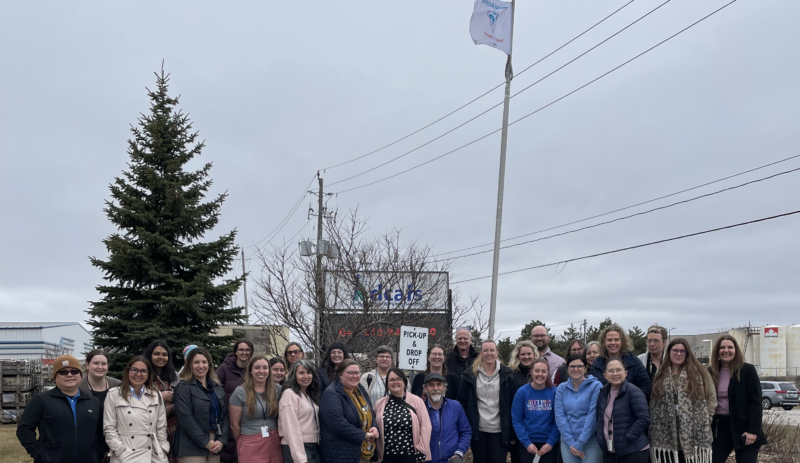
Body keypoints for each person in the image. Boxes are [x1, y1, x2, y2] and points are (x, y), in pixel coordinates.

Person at [17, 354, 103, 463]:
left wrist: (97, 454)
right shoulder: (41, 400)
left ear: (80, 376)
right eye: (63, 372)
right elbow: (24, 429)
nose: (69, 375)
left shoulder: (93, 402)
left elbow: (101, 433)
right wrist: (40, 454)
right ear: (54, 377)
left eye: (74, 371)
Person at [649, 338, 716, 463]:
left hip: (694, 431)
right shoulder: (660, 374)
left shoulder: (700, 372)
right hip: (666, 431)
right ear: (669, 352)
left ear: (687, 353)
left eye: (682, 351)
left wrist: (708, 417)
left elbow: (711, 396)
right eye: (675, 350)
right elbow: (654, 401)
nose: (678, 354)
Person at [708, 335, 766, 463]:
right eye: (722, 347)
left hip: (744, 428)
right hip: (719, 428)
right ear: (717, 351)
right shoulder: (710, 372)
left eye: (730, 347)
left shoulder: (747, 370)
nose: (726, 350)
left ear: (736, 350)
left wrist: (752, 431)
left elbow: (756, 402)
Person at [103, 355, 170, 462]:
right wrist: (120, 450)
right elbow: (109, 428)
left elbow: (161, 426)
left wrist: (163, 447)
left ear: (148, 374)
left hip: (153, 454)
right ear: (128, 371)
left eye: (143, 371)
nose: (138, 374)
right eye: (134, 370)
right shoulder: (114, 394)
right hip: (126, 454)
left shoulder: (156, 394)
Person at [457, 340, 514, 463]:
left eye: (492, 350)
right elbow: (462, 402)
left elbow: (511, 403)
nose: (489, 353)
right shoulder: (470, 375)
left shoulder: (507, 374)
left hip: (499, 430)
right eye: (485, 350)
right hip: (478, 430)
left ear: (496, 352)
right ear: (481, 353)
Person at [173, 347, 230, 463]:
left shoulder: (217, 387)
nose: (201, 366)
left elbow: (225, 416)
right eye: (196, 362)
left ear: (209, 365)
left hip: (215, 444)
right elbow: (185, 418)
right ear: (189, 365)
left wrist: (222, 440)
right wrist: (205, 442)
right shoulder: (183, 387)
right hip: (190, 446)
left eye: (204, 362)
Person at [319, 359, 379, 463]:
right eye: (350, 373)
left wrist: (374, 427)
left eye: (357, 373)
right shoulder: (331, 394)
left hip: (362, 452)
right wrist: (364, 435)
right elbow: (338, 425)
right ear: (340, 375)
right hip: (340, 454)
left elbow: (370, 413)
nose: (355, 376)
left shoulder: (359, 389)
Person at [228, 354, 282, 463]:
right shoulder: (240, 392)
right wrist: (244, 443)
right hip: (250, 443)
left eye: (265, 368)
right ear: (250, 371)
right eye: (257, 367)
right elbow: (234, 425)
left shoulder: (278, 390)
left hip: (275, 442)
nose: (261, 371)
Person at [595, 358, 650, 463]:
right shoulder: (603, 393)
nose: (615, 373)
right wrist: (599, 434)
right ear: (605, 375)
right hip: (610, 452)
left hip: (633, 451)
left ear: (626, 373)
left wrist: (628, 438)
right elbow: (599, 417)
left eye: (618, 370)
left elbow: (643, 418)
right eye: (611, 371)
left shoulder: (634, 392)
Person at [374, 369, 432, 463]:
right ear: (387, 384)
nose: (395, 382)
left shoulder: (417, 401)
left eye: (398, 379)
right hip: (386, 457)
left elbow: (426, 426)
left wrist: (422, 449)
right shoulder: (379, 404)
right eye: (391, 380)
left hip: (410, 456)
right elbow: (375, 426)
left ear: (404, 382)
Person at [511, 357, 560, 463]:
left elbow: (558, 419)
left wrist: (551, 442)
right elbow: (517, 420)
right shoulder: (522, 392)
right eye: (537, 371)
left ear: (548, 373)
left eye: (544, 371)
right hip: (528, 443)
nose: (540, 374)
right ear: (531, 372)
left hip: (549, 443)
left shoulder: (555, 392)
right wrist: (527, 443)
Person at [555, 354, 602, 463]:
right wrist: (571, 443)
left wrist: (580, 443)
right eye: (572, 366)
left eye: (580, 366)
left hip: (591, 440)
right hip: (568, 441)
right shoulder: (561, 388)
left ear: (585, 368)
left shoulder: (596, 386)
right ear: (567, 369)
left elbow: (593, 416)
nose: (576, 369)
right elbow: (559, 416)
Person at [589, 325, 652, 401]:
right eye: (609, 340)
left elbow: (646, 386)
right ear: (604, 342)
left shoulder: (634, 361)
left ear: (622, 341)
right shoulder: (596, 365)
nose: (613, 343)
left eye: (616, 339)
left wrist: (632, 401)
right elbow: (590, 390)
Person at [80, 349, 123, 462]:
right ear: (87, 365)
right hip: (86, 446)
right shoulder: (78, 387)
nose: (100, 367)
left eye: (103, 364)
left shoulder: (118, 385)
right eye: (96, 363)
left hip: (113, 445)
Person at [216, 339, 254, 463]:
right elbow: (215, 388)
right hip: (228, 416)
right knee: (228, 452)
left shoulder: (253, 370)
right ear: (235, 352)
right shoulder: (224, 369)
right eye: (241, 349)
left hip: (249, 417)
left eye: (247, 350)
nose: (244, 352)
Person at [279, 359, 323, 463]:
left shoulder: (309, 395)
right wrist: (300, 458)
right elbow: (290, 429)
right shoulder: (289, 394)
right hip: (296, 447)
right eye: (301, 373)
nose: (306, 376)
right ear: (294, 376)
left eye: (309, 372)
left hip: (313, 446)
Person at [423, 372, 471, 463]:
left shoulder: (455, 406)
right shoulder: (419, 409)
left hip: (452, 460)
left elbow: (466, 431)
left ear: (445, 387)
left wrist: (459, 453)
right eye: (431, 385)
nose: (435, 388)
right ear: (425, 389)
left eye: (439, 384)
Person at [144, 340, 180, 460]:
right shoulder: (144, 375)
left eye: (164, 354)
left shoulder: (175, 376)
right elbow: (137, 399)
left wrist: (172, 407)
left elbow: (182, 399)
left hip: (173, 426)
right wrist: (160, 396)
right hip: (151, 427)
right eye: (156, 354)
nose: (161, 357)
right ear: (150, 355)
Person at [507, 341, 538, 463]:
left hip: (538, 430)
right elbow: (508, 404)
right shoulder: (512, 376)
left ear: (534, 355)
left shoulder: (541, 375)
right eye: (523, 354)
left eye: (529, 353)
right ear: (518, 356)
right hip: (518, 431)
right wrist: (512, 433)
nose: (526, 357)